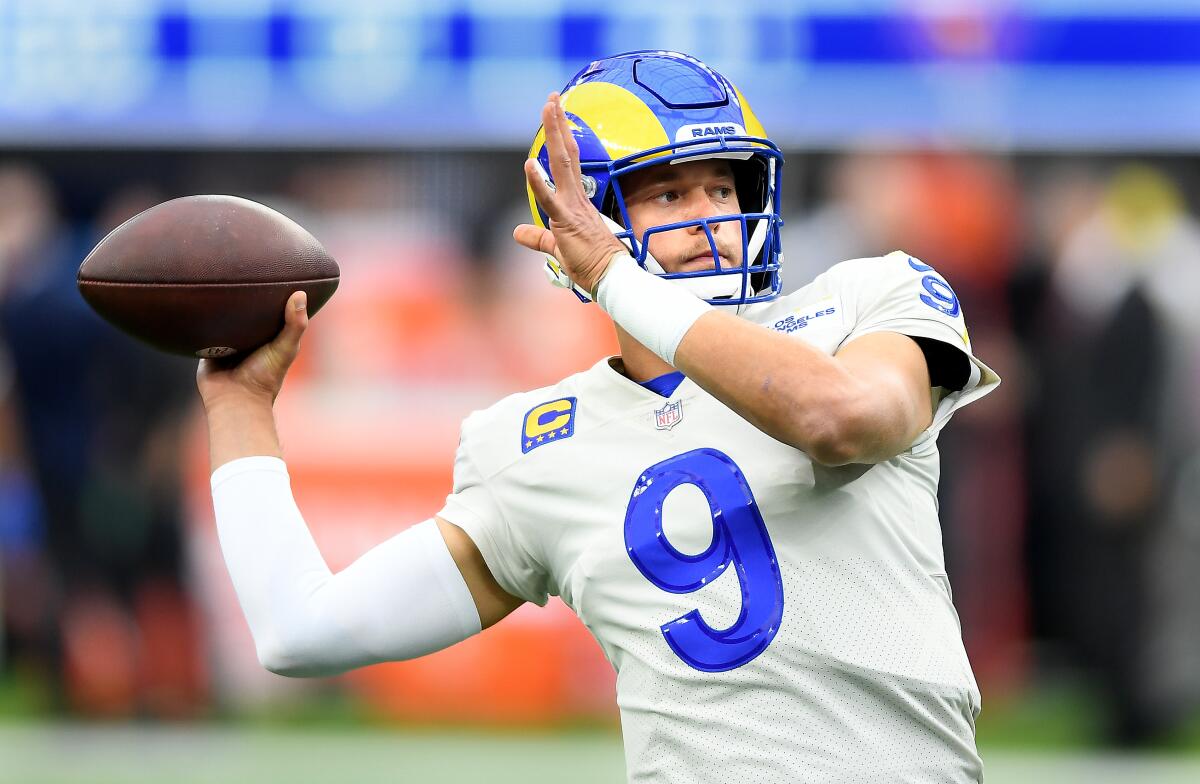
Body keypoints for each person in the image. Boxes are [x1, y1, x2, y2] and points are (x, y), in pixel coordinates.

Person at [200, 52, 999, 783]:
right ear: (580, 218)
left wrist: (617, 275)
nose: (711, 219)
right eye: (670, 193)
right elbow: (301, 631)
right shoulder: (537, 444)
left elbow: (840, 418)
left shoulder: (866, 303)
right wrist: (240, 407)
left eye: (724, 187)